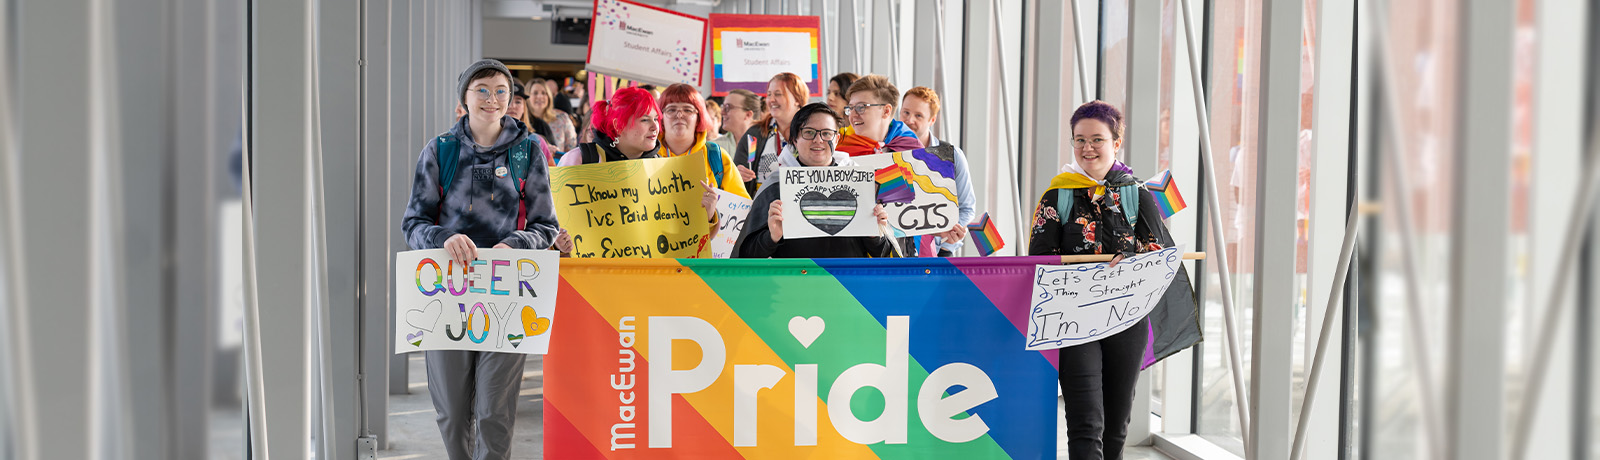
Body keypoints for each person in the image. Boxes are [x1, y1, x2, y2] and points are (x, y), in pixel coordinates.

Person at [400, 59, 558, 460]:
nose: (492, 98)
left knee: (494, 412)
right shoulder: (440, 151)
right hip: (446, 295)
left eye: (501, 91)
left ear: (511, 100)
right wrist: (444, 237)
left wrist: (517, 244)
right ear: (464, 99)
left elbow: (546, 227)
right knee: (453, 412)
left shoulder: (528, 152)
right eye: (482, 90)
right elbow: (413, 222)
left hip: (505, 294)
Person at [1028, 101, 1193, 460]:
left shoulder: (1137, 193)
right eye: (1080, 139)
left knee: (1116, 426)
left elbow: (1160, 255)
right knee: (1085, 425)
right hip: (1074, 320)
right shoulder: (1057, 196)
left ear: (1116, 142)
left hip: (1127, 319)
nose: (1087, 148)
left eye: (1097, 139)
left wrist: (1134, 259)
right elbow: (1037, 261)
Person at [551, 87, 721, 255]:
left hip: (647, 277)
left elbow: (685, 240)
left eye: (656, 119)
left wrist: (707, 215)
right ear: (618, 125)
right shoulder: (580, 160)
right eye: (645, 120)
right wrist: (556, 241)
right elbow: (549, 222)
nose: (655, 127)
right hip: (588, 277)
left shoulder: (665, 169)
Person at [735, 103, 897, 259]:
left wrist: (873, 234)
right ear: (794, 139)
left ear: (836, 139)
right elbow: (747, 256)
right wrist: (772, 237)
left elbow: (883, 253)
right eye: (809, 132)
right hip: (793, 283)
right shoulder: (776, 186)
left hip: (847, 284)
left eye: (826, 133)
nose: (818, 140)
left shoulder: (860, 184)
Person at [899, 86, 976, 257]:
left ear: (932, 120)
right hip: (895, 254)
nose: (909, 120)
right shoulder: (888, 153)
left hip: (939, 253)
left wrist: (946, 243)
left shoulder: (951, 156)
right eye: (905, 113)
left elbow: (967, 207)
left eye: (918, 115)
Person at [656, 83, 748, 198]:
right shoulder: (645, 157)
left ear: (699, 117)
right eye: (671, 109)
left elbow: (743, 210)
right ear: (661, 116)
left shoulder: (717, 157)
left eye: (688, 110)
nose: (679, 115)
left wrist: (714, 213)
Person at [733, 72, 807, 194]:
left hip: (800, 208)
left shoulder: (812, 133)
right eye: (769, 94)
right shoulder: (754, 134)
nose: (771, 100)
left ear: (797, 99)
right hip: (761, 210)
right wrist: (737, 175)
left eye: (778, 94)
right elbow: (736, 180)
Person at [838, 74, 923, 156]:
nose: (852, 115)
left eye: (861, 107)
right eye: (850, 108)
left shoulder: (911, 147)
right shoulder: (839, 144)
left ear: (886, 111)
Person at [528, 78, 579, 154]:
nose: (540, 96)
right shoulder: (522, 120)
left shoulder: (562, 117)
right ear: (527, 96)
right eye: (535, 93)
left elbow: (572, 147)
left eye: (543, 93)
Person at [508, 82, 555, 162]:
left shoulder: (536, 140)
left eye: (518, 102)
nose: (513, 106)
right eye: (509, 101)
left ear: (524, 108)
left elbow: (551, 172)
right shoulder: (486, 137)